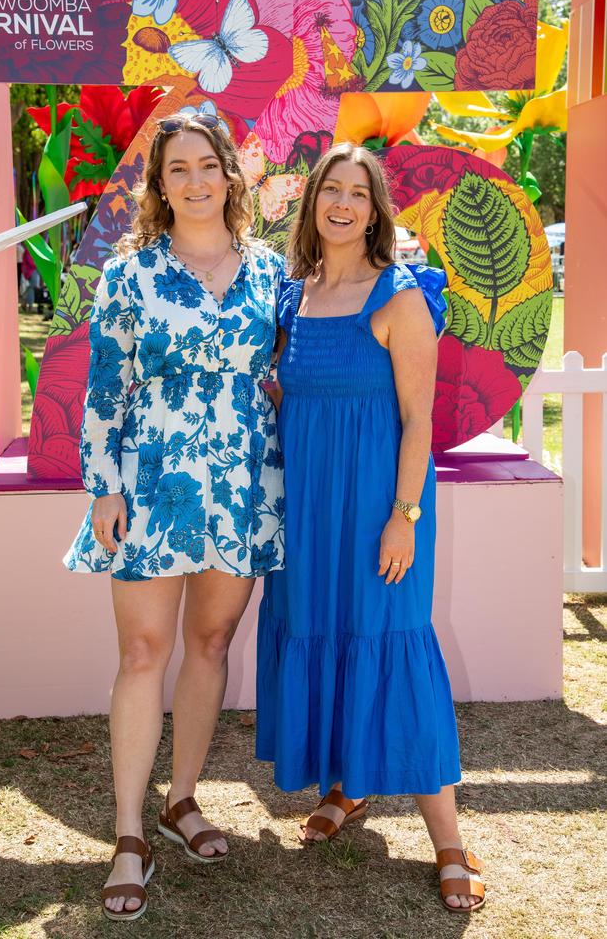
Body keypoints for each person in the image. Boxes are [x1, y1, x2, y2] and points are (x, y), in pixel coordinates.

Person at [64, 112, 285, 922]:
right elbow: (104, 388)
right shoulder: (132, 274)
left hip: (242, 483)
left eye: (207, 166)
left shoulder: (268, 272)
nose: (194, 181)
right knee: (142, 651)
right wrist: (105, 487)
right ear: (160, 185)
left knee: (212, 642)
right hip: (152, 480)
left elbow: (284, 367)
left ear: (232, 174)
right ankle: (129, 832)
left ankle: (181, 800)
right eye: (176, 170)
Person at [256, 143, 485, 913]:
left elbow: (419, 419)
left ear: (376, 209)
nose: (344, 203)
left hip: (379, 513)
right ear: (313, 202)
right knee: (320, 630)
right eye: (332, 190)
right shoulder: (294, 296)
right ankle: (346, 787)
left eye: (359, 192)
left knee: (390, 646)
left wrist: (404, 518)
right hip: (308, 511)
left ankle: (448, 840)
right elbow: (294, 400)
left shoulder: (400, 295)